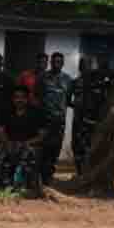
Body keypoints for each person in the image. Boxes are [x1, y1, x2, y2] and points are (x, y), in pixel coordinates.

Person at [0, 86, 46, 191]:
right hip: (9, 144)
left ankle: (25, 186)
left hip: (29, 145)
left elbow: (41, 136)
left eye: (22, 97)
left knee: (29, 154)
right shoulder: (6, 111)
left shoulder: (37, 113)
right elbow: (0, 131)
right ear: (13, 99)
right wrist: (7, 143)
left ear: (27, 99)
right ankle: (2, 185)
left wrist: (25, 143)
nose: (19, 100)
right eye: (16, 97)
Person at [71, 53, 114, 175]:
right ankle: (81, 172)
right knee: (77, 145)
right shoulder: (77, 82)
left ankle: (91, 171)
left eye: (88, 65)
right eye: (83, 65)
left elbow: (112, 81)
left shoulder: (100, 80)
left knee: (92, 145)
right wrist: (78, 107)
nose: (85, 67)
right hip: (79, 118)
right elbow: (69, 100)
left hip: (94, 119)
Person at [39, 52, 74, 184]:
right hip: (44, 119)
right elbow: (38, 96)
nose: (56, 64)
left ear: (62, 63)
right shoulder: (43, 77)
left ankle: (49, 175)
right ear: (50, 63)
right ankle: (41, 176)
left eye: (59, 61)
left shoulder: (68, 79)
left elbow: (68, 99)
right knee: (43, 147)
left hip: (59, 120)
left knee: (56, 148)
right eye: (54, 61)